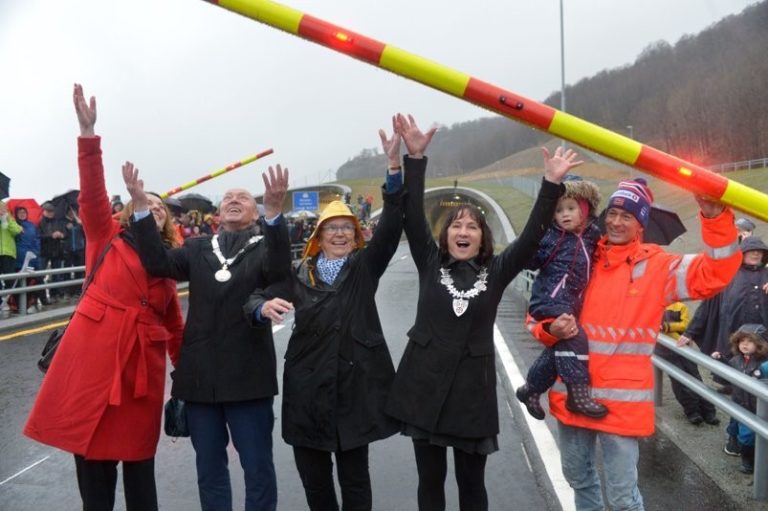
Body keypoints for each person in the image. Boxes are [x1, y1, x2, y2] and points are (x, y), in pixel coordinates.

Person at [384, 114, 578, 511]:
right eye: (457, 225)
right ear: (446, 235)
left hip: (471, 394)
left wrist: (551, 186)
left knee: (472, 487)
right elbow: (412, 216)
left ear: (481, 238)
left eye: (473, 226)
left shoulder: (497, 271)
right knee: (430, 484)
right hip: (423, 388)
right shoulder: (428, 260)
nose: (464, 231)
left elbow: (529, 239)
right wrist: (415, 160)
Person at [530, 177, 742, 511]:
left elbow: (715, 272)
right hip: (571, 393)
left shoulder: (657, 267)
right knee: (578, 479)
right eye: (612, 213)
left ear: (640, 222)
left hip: (622, 405)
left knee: (622, 497)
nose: (615, 221)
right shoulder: (578, 258)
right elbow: (538, 313)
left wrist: (715, 219)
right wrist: (550, 329)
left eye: (627, 215)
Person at [24, 83, 184, 511]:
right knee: (94, 476)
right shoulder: (105, 236)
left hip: (140, 379)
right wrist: (87, 134)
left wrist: (187, 379)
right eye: (141, 201)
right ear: (129, 210)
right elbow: (92, 194)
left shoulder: (172, 261)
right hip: (95, 364)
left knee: (140, 478)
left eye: (159, 205)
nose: (150, 206)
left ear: (165, 219)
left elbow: (175, 328)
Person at [244, 117, 405, 511]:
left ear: (356, 234)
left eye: (346, 228)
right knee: (316, 489)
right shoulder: (299, 273)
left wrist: (395, 171)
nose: (339, 234)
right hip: (307, 394)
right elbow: (257, 293)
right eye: (330, 228)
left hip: (354, 393)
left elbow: (392, 226)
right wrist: (260, 307)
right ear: (318, 236)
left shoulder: (365, 267)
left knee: (355, 485)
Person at [125, 151, 291, 510]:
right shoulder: (198, 248)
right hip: (199, 380)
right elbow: (156, 263)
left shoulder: (264, 247)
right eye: (227, 198)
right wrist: (140, 209)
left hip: (249, 379)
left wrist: (276, 216)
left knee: (257, 467)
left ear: (255, 213)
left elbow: (279, 272)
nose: (234, 200)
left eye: (243, 198)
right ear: (218, 214)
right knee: (209, 468)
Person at [515, 175, 605, 420]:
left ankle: (531, 389)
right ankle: (577, 395)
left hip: (569, 302)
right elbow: (527, 257)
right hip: (550, 299)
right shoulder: (552, 237)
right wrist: (529, 245)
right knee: (575, 338)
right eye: (558, 210)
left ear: (584, 209)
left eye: (571, 208)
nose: (564, 214)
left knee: (558, 349)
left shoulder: (592, 236)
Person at [679, 236, 768, 455]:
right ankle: (736, 439)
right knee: (740, 396)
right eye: (752, 250)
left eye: (760, 251)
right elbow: (707, 307)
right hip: (737, 350)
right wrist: (689, 333)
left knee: (762, 395)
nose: (756, 254)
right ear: (742, 252)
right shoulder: (728, 276)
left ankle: (756, 442)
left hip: (764, 351)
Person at [654, 302, 719, 425]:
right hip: (664, 350)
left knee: (695, 378)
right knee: (679, 383)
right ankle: (692, 411)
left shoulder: (680, 306)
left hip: (683, 349)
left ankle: (708, 411)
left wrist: (667, 327)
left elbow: (686, 325)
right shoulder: (653, 305)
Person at [722, 323, 768, 474]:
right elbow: (729, 369)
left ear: (760, 344)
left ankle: (749, 461)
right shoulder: (737, 360)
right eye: (742, 341)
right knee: (735, 425)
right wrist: (720, 360)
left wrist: (760, 373)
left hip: (754, 406)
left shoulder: (763, 363)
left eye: (750, 341)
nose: (745, 345)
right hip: (739, 400)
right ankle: (734, 445)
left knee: (748, 435)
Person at [11, 206, 43, 311]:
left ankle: (29, 303)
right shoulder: (14, 225)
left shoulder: (32, 226)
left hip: (33, 259)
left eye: (24, 212)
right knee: (19, 284)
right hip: (19, 259)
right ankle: (18, 306)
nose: (22, 214)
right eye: (20, 212)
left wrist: (36, 251)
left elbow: (37, 239)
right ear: (16, 214)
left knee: (33, 282)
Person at [38, 200, 67, 303]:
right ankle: (43, 298)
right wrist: (51, 236)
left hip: (57, 251)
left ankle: (55, 294)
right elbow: (38, 236)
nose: (50, 213)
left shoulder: (58, 222)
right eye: (48, 211)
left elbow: (65, 234)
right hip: (44, 252)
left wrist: (61, 235)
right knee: (40, 275)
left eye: (52, 211)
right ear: (44, 211)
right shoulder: (40, 222)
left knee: (57, 275)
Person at [0, 200, 22, 294]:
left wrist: (6, 220)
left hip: (8, 253)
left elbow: (17, 231)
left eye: (4, 208)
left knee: (10, 280)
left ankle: (16, 303)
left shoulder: (10, 218)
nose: (3, 210)